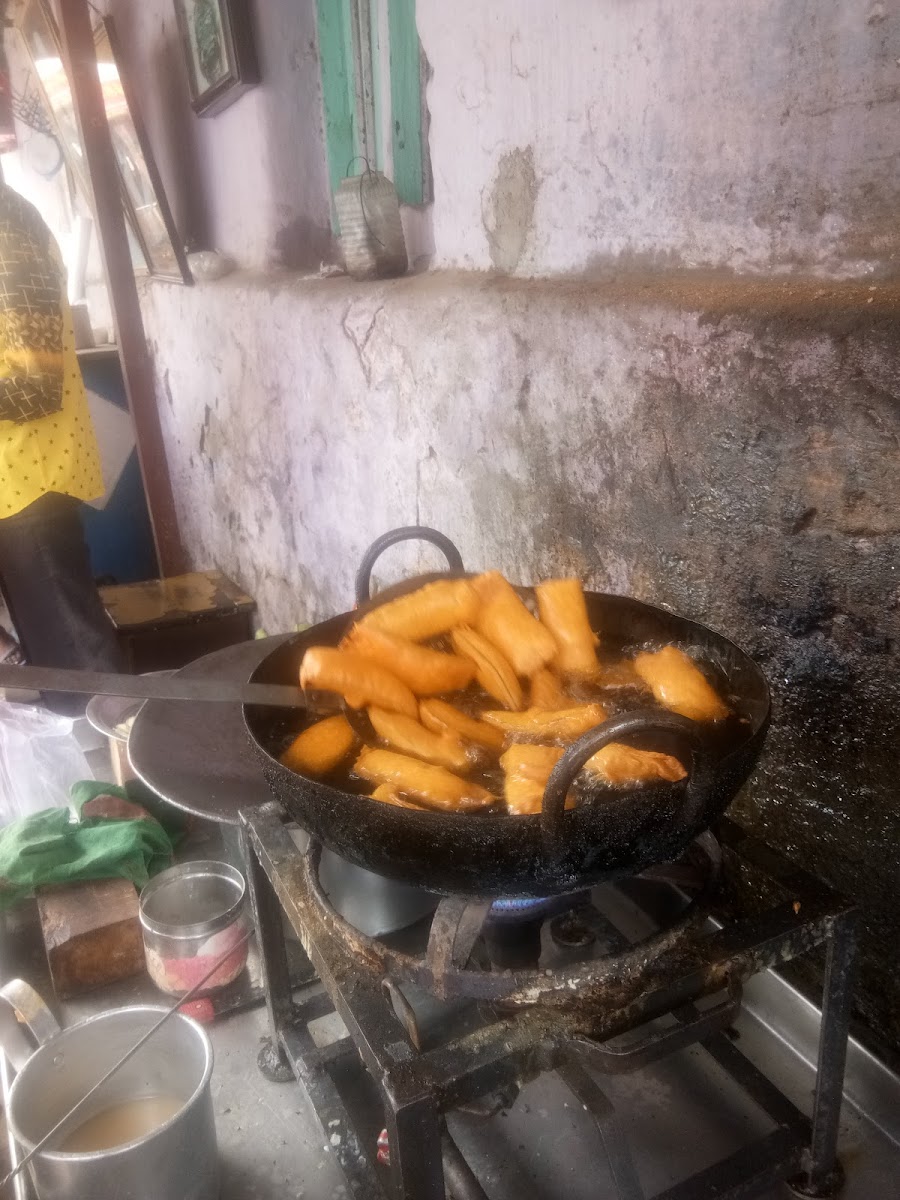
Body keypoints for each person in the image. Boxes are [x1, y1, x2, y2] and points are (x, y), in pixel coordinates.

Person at [0, 177, 122, 710]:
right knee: (51, 666)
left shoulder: (10, 231)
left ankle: (126, 782)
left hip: (30, 478)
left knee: (83, 674)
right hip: (12, 479)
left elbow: (33, 381)